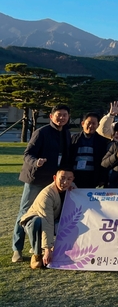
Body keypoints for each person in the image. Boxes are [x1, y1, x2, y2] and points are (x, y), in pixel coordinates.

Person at [12, 104, 72, 263]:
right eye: (58, 115)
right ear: (51, 116)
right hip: (36, 179)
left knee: (49, 214)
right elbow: (27, 154)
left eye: (65, 115)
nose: (62, 118)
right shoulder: (41, 132)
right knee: (25, 212)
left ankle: (41, 247)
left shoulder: (66, 133)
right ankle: (17, 249)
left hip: (53, 181)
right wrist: (36, 162)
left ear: (68, 117)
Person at [19, 170, 76, 269]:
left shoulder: (72, 188)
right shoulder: (46, 195)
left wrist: (75, 189)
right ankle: (37, 255)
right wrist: (47, 250)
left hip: (54, 220)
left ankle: (61, 250)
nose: (65, 182)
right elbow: (47, 222)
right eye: (62, 178)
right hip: (36, 220)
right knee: (36, 222)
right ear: (54, 178)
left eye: (69, 179)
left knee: (71, 224)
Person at [68, 112, 109, 188]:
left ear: (98, 125)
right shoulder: (73, 138)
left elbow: (104, 161)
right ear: (83, 123)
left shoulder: (102, 141)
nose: (91, 126)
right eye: (88, 123)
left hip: (92, 176)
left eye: (94, 123)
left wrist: (102, 179)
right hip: (74, 176)